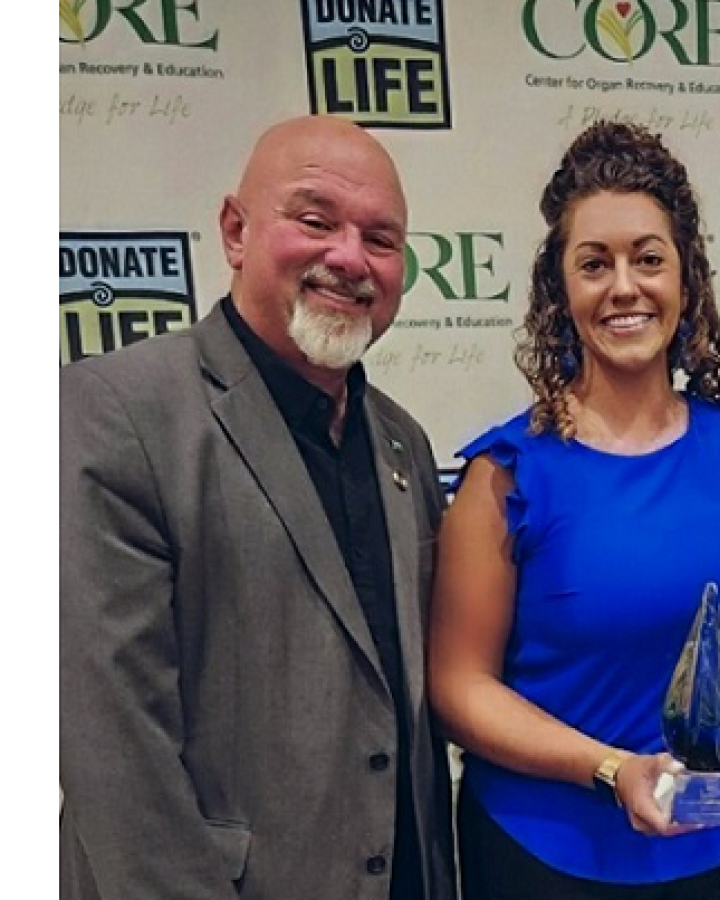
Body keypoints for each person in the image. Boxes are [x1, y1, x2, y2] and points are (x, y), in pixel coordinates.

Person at [60, 115, 457, 900]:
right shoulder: (116, 415)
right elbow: (115, 754)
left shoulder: (401, 443)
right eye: (316, 222)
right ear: (236, 231)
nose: (349, 257)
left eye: (381, 239)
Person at [426, 120, 720, 900]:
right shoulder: (509, 474)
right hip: (553, 863)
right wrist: (609, 769)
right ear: (561, 290)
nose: (624, 286)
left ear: (686, 280)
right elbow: (459, 688)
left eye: (648, 258)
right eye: (594, 263)